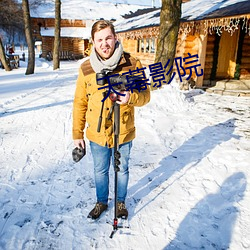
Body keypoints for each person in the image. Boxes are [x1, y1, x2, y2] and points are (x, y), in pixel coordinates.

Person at [72, 20, 150, 220]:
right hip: (97, 134)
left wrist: (130, 98)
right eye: (99, 40)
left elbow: (145, 95)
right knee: (100, 170)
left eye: (108, 38)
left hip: (123, 130)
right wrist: (77, 134)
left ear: (115, 38)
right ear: (93, 42)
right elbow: (80, 102)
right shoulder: (86, 68)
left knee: (122, 168)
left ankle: (121, 202)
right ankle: (101, 202)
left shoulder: (132, 64)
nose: (104, 43)